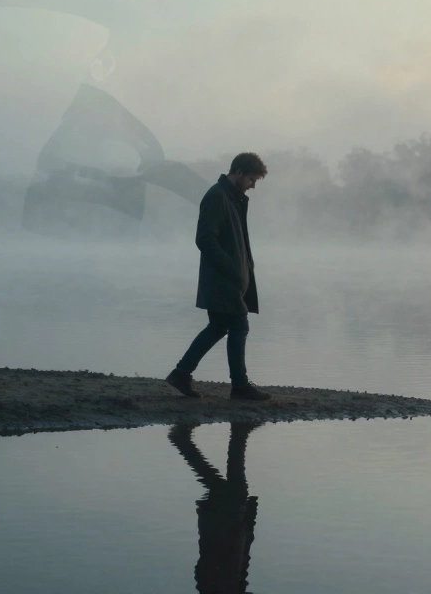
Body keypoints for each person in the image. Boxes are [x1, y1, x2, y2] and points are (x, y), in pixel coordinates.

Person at [166, 153, 272, 401]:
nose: (253, 185)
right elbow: (204, 239)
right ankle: (239, 386)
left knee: (218, 327)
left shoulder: (232, 198)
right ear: (237, 172)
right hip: (222, 280)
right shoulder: (217, 197)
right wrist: (233, 269)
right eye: (251, 179)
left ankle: (181, 373)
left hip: (227, 279)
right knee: (238, 325)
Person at [168, 422, 261, 593]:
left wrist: (245, 519)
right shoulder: (221, 585)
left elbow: (237, 555)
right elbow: (242, 559)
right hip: (223, 525)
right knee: (221, 487)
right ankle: (183, 441)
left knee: (235, 489)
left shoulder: (221, 586)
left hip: (226, 524)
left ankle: (239, 433)